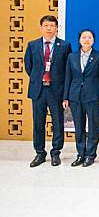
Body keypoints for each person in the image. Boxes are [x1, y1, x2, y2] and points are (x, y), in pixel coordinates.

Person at [24, 15, 72, 167]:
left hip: (56, 90)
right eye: (46, 25)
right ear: (41, 28)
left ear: (57, 28)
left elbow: (67, 70)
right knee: (38, 122)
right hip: (38, 89)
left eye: (52, 26)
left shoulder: (64, 46)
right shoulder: (32, 45)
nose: (49, 28)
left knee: (58, 122)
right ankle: (39, 153)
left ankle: (56, 152)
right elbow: (28, 66)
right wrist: (39, 78)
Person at [63, 29, 99, 167]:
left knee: (94, 126)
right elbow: (68, 78)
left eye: (89, 37)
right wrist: (65, 97)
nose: (86, 39)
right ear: (79, 40)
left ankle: (90, 155)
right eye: (84, 37)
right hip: (75, 96)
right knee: (79, 127)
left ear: (93, 40)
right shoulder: (72, 57)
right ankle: (81, 154)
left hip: (93, 96)